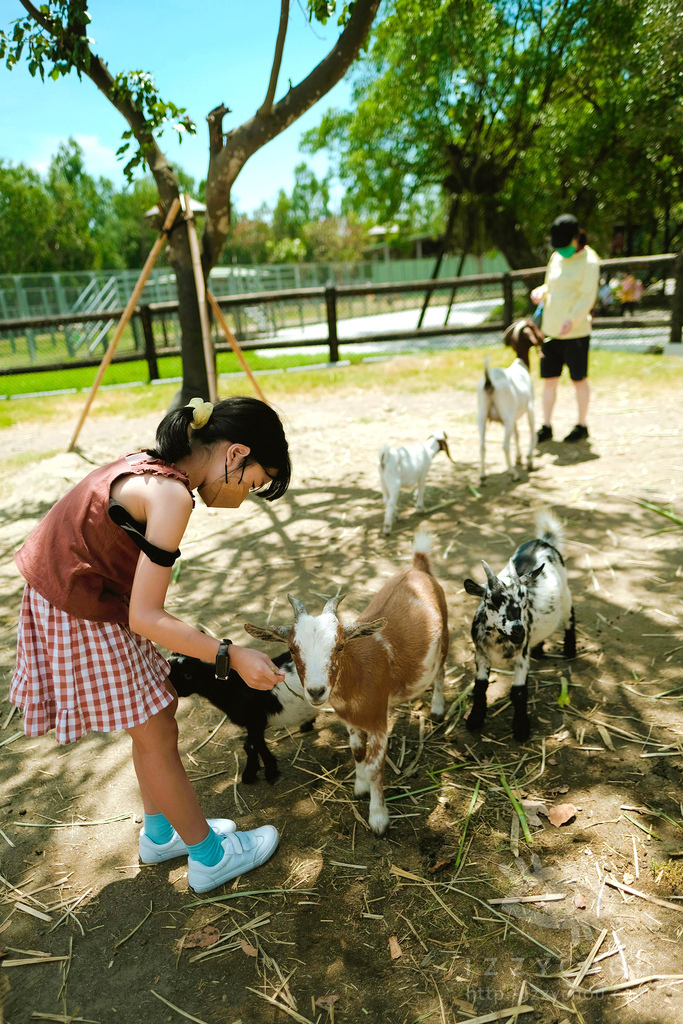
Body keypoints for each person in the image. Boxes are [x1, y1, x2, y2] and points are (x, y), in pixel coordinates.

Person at [9, 395, 291, 894]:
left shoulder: (153, 468)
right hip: (79, 608)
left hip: (83, 597)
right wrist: (232, 655)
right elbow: (147, 616)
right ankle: (209, 857)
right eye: (252, 483)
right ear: (235, 453)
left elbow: (141, 607)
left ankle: (161, 834)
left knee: (156, 719)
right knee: (156, 732)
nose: (244, 497)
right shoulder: (173, 498)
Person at [531, 213, 600, 443]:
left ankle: (581, 425)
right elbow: (550, 284)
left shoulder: (589, 261)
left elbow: (587, 296)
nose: (560, 249)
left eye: (563, 245)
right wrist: (541, 292)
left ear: (575, 238)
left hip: (576, 333)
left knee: (578, 379)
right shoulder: (556, 257)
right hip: (551, 331)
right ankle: (546, 425)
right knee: (549, 380)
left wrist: (572, 319)